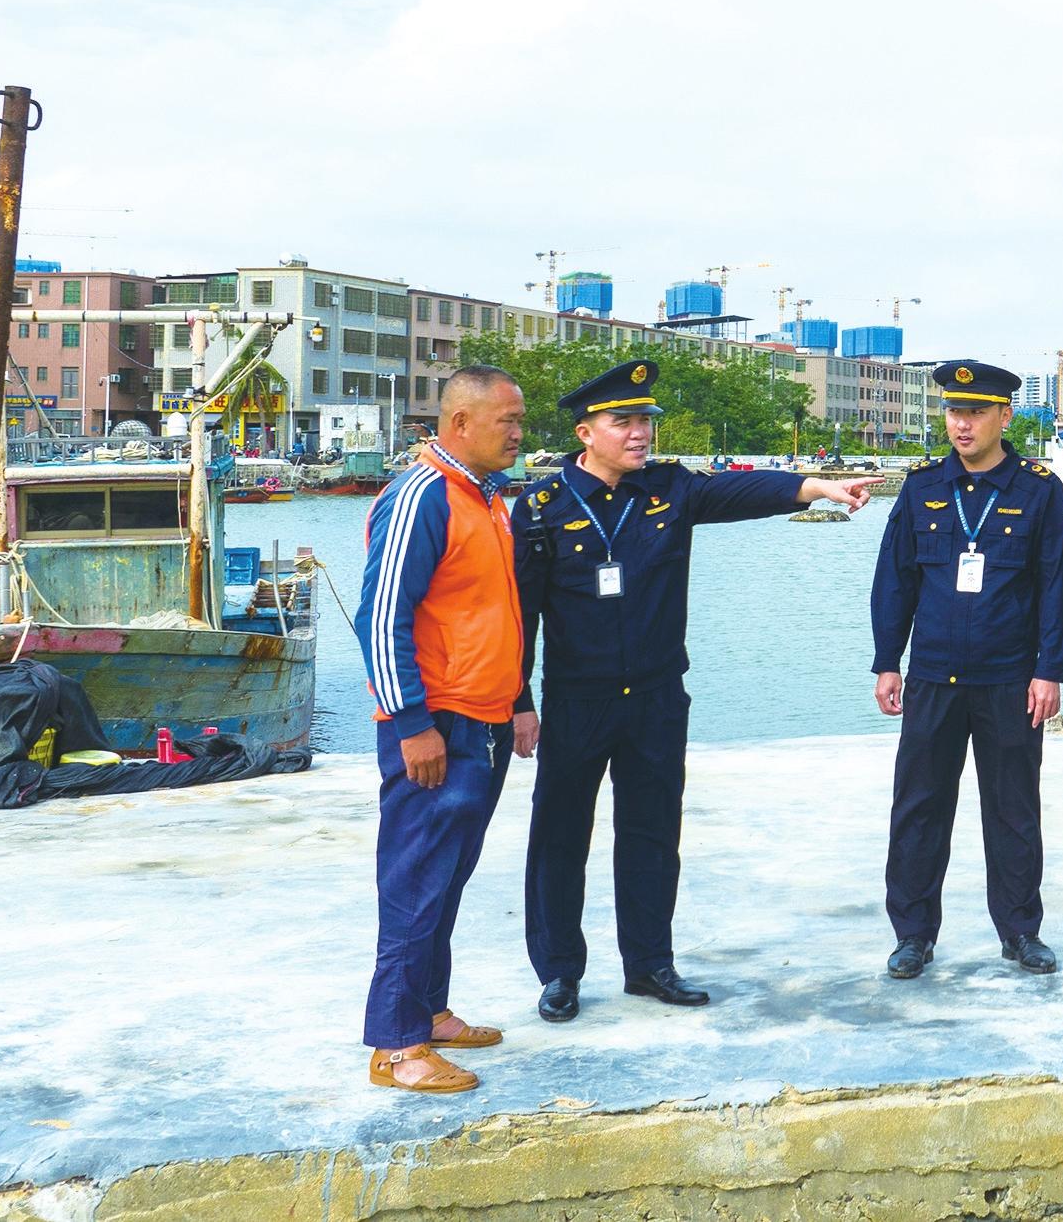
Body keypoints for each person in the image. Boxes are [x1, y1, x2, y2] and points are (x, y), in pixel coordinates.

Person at [514, 359, 878, 1023]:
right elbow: (522, 616)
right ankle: (559, 971)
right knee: (560, 836)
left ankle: (650, 964)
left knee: (652, 833)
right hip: (577, 701)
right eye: (623, 422)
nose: (640, 433)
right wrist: (519, 702)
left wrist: (818, 487)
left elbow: (743, 491)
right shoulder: (543, 507)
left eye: (645, 421)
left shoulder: (669, 490)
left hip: (656, 698)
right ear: (585, 432)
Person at [353, 364, 535, 1093]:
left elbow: (493, 610)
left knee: (446, 877)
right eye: (507, 421)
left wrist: (518, 698)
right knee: (414, 880)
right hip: (437, 724)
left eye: (520, 420)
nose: (519, 433)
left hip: (484, 719)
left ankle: (429, 1010)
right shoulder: (422, 495)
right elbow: (380, 616)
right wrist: (411, 724)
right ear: (460, 423)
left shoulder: (485, 498)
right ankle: (397, 1046)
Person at [868, 361, 1063, 980]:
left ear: (1004, 416)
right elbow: (895, 580)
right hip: (933, 676)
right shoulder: (921, 487)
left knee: (1014, 810)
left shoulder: (1038, 490)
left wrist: (1050, 669)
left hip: (1010, 679)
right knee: (918, 808)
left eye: (977, 412)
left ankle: (1020, 931)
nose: (963, 424)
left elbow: (1058, 587)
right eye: (955, 412)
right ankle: (913, 935)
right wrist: (887, 661)